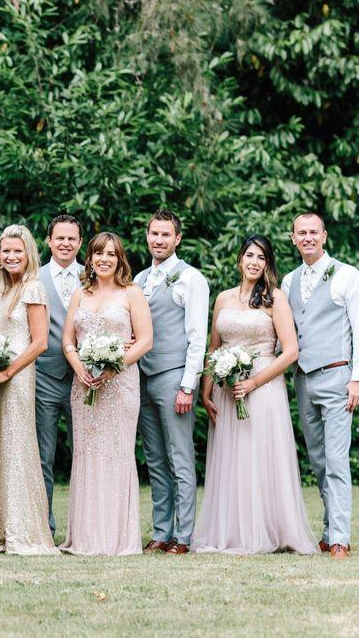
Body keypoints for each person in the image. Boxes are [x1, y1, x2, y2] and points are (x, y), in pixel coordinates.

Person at [194, 235, 317, 555]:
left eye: (260, 258)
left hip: (262, 389)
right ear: (240, 259)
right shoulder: (222, 298)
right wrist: (206, 391)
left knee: (259, 457)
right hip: (226, 389)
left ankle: (269, 530)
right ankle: (232, 531)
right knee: (231, 460)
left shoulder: (275, 299)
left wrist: (253, 383)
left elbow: (290, 352)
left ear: (267, 265)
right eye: (249, 255)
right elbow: (213, 347)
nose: (253, 262)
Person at [282, 212, 359, 559]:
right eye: (301, 233)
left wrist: (358, 378)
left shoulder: (347, 276)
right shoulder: (288, 281)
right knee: (318, 460)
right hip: (303, 380)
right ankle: (329, 528)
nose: (307, 238)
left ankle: (340, 538)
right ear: (293, 238)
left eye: (313, 232)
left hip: (337, 377)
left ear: (325, 236)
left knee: (335, 460)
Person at [60, 232, 152, 556]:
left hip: (121, 386)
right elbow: (68, 341)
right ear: (91, 258)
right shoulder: (79, 295)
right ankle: (85, 537)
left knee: (116, 454)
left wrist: (114, 367)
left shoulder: (132, 294)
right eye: (99, 253)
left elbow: (144, 340)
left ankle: (115, 538)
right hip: (83, 384)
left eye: (111, 254)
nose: (104, 259)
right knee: (86, 455)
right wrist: (78, 367)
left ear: (119, 259)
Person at [0, 225, 59, 556]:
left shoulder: (33, 289)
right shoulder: (0, 292)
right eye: (5, 251)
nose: (10, 256)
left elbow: (39, 343)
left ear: (28, 255)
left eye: (17, 251)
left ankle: (24, 531)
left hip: (17, 379)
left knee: (17, 448)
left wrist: (6, 373)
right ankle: (0, 531)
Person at [134, 210, 209, 555]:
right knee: (155, 459)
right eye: (154, 234)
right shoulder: (138, 279)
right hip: (143, 378)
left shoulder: (190, 278)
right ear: (147, 236)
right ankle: (161, 531)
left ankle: (184, 535)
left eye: (166, 235)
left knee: (180, 458)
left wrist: (187, 385)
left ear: (177, 239)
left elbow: (197, 337)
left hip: (173, 377)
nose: (159, 240)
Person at [35, 214, 83, 536]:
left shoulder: (94, 276)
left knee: (86, 456)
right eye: (59, 238)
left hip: (87, 379)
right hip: (44, 377)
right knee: (43, 456)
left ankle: (84, 528)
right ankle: (44, 526)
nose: (65, 243)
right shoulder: (34, 278)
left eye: (72, 238)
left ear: (80, 243)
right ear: (49, 241)